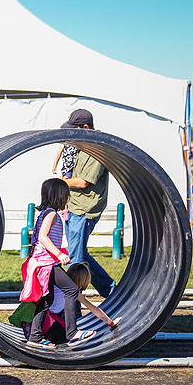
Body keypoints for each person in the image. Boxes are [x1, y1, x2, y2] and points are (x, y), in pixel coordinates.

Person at [19, 178, 96, 348]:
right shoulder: (51, 214)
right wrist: (59, 254)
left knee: (46, 300)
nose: (67, 199)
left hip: (42, 263)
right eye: (66, 195)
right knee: (72, 289)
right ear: (59, 196)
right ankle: (72, 332)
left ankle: (35, 337)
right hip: (47, 263)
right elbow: (42, 237)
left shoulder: (46, 212)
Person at [60, 109, 116, 298]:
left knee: (74, 261)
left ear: (85, 127)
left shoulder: (97, 149)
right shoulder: (83, 146)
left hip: (84, 208)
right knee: (80, 254)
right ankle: (110, 290)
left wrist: (58, 184)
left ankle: (72, 306)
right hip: (74, 205)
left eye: (75, 129)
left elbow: (84, 182)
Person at [26, 263, 123, 348]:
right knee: (62, 335)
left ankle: (39, 334)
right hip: (47, 324)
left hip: (34, 323)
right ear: (84, 281)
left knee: (61, 328)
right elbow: (93, 308)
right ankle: (64, 337)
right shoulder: (72, 292)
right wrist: (111, 322)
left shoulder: (57, 286)